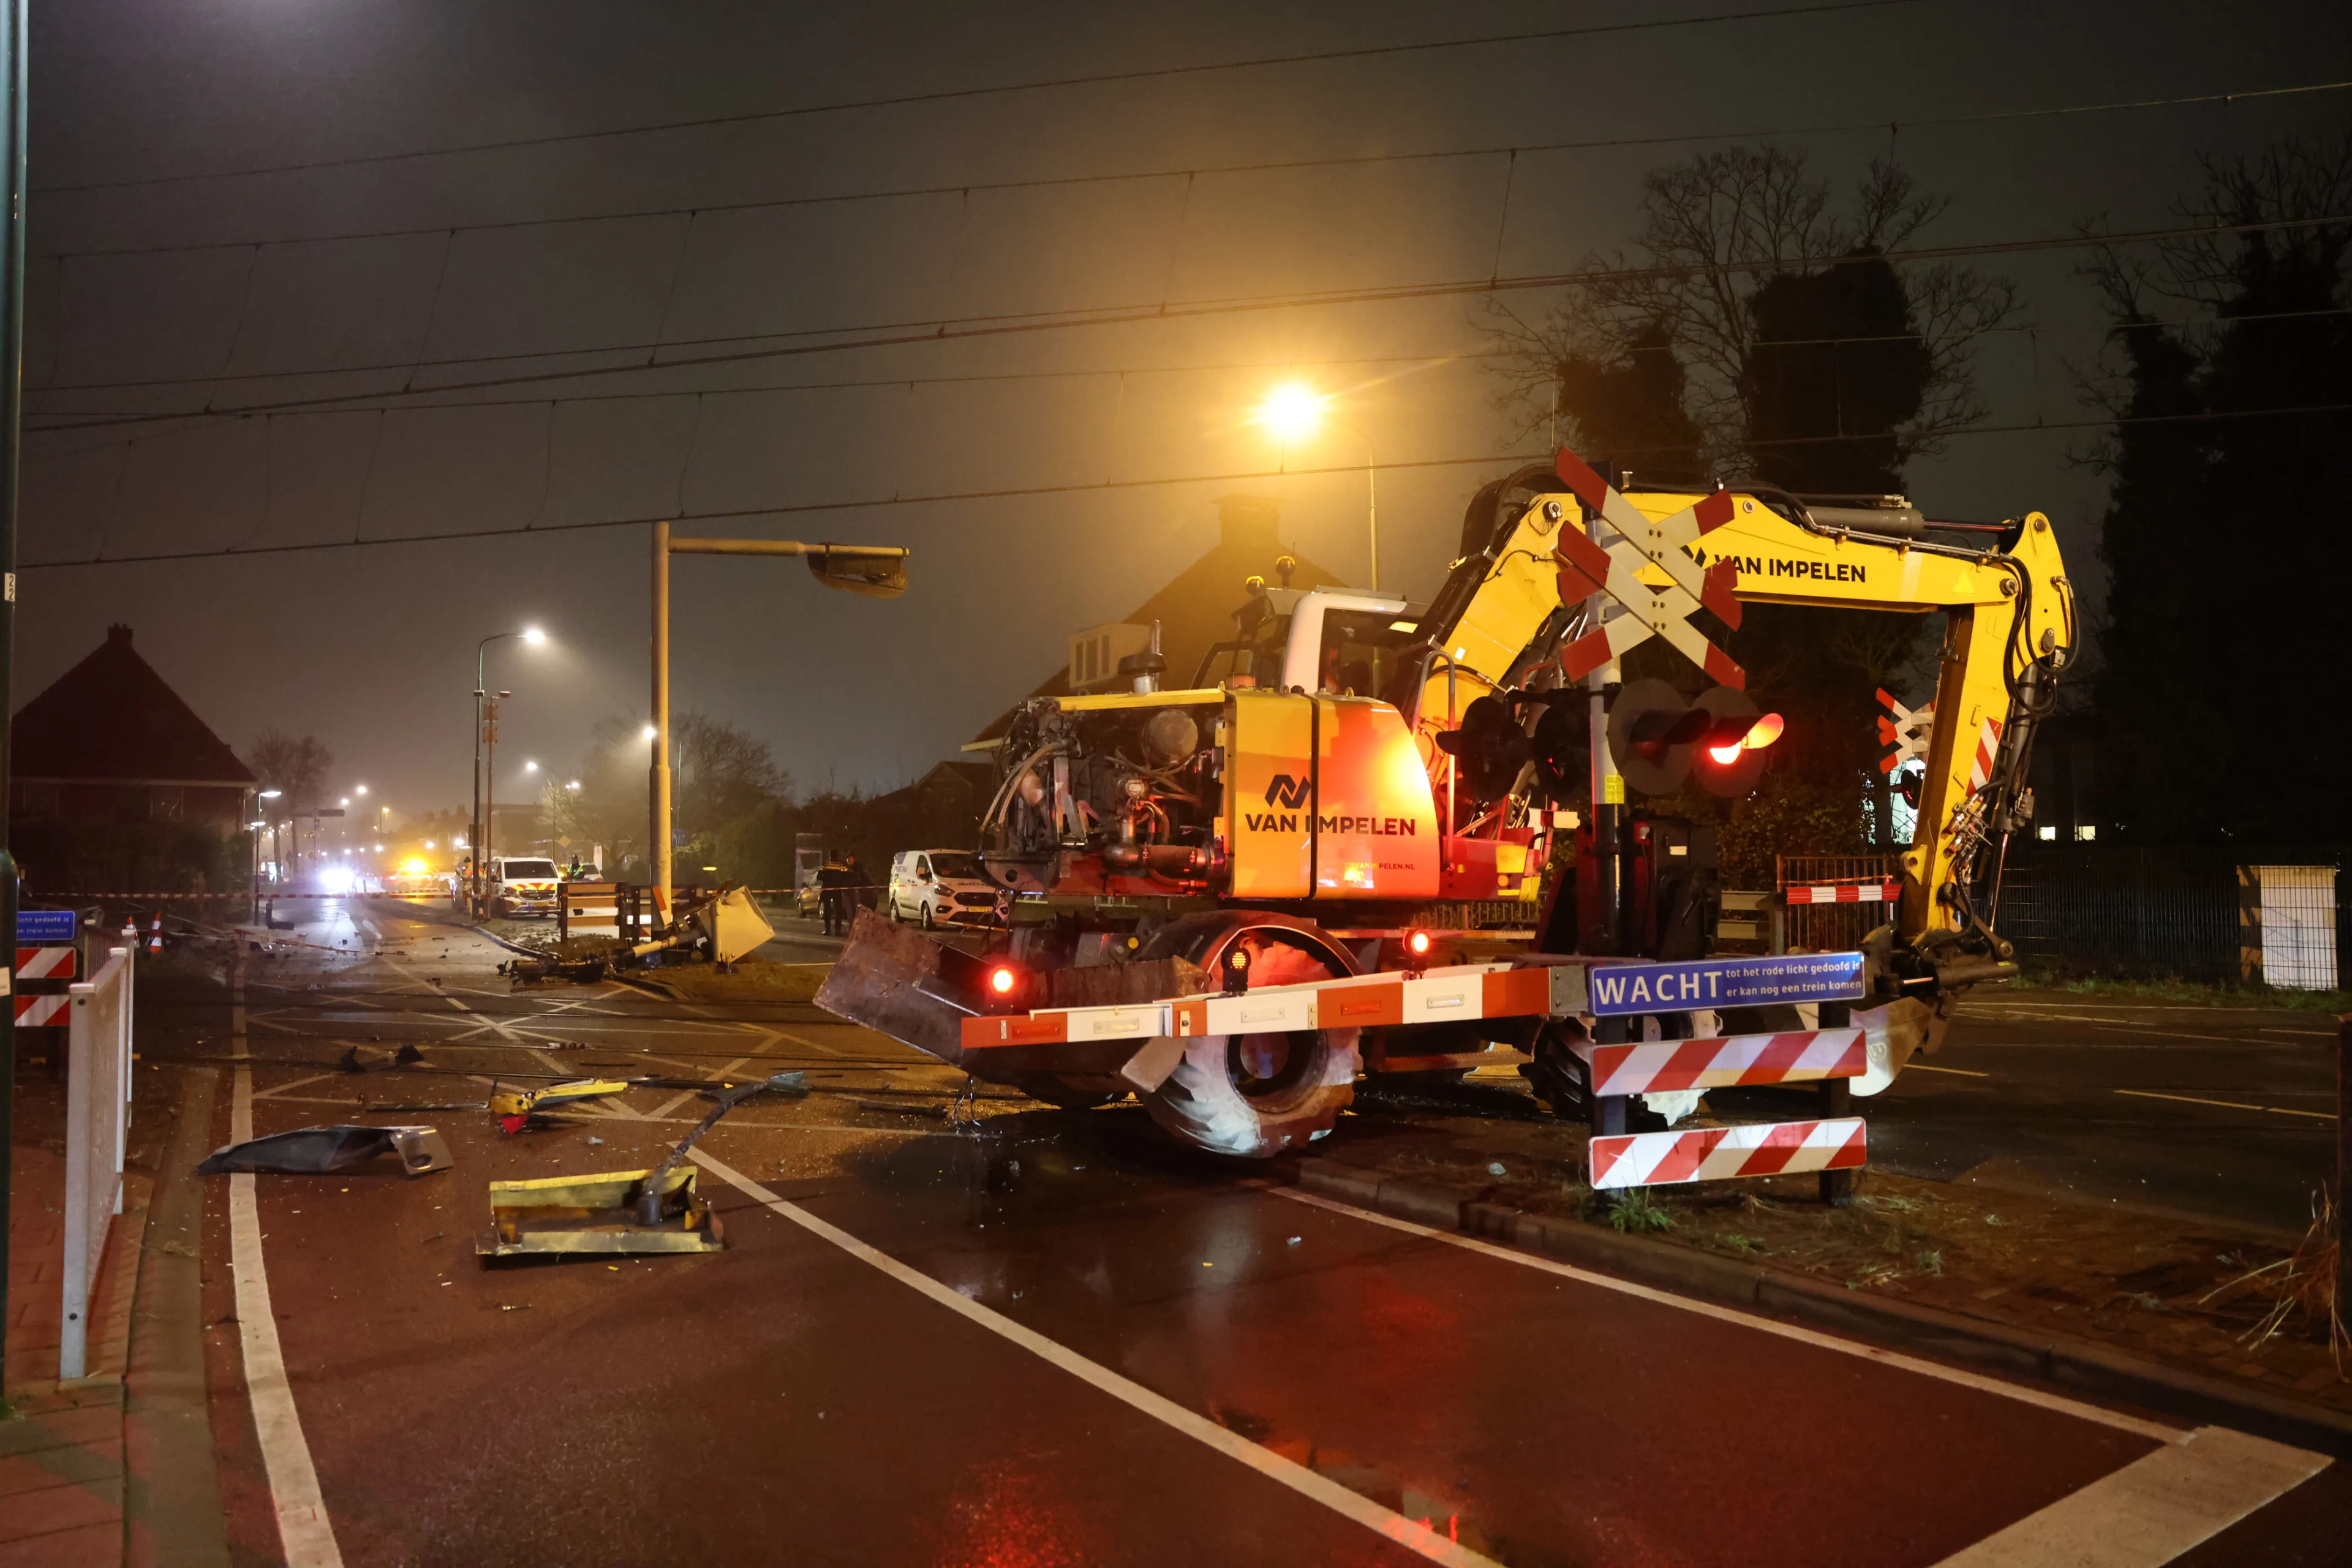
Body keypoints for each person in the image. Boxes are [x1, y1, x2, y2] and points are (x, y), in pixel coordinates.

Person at [816, 858, 849, 936]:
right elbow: (847, 875)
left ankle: (828, 930)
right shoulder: (841, 865)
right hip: (837, 889)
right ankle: (838, 930)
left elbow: (819, 877)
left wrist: (826, 878)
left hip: (827, 889)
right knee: (838, 910)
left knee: (827, 909)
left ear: (830, 857)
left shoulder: (825, 865)